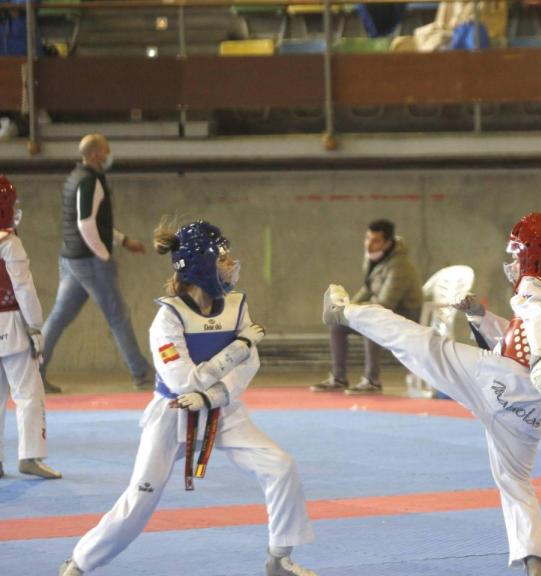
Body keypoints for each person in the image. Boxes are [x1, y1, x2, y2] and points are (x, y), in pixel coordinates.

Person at [322, 212, 541, 576]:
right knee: (517, 484)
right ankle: (536, 565)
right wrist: (479, 316)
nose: (514, 264)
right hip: (533, 408)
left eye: (518, 255)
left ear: (535, 255)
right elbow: (520, 335)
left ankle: (345, 312)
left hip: (505, 382)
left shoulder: (535, 290)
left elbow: (537, 324)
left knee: (422, 344)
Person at [59, 220, 317, 576]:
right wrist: (237, 349)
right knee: (141, 497)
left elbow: (250, 363)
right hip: (171, 414)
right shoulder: (167, 319)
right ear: (201, 265)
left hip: (223, 409)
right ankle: (79, 563)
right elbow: (183, 381)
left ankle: (279, 559)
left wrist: (218, 394)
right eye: (223, 258)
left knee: (281, 466)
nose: (232, 265)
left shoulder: (236, 306)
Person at [41, 134, 151, 394]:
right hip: (89, 260)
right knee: (118, 316)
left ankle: (34, 372)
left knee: (58, 317)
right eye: (104, 150)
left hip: (71, 258)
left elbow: (95, 223)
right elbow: (86, 223)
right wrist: (102, 255)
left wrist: (123, 241)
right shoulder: (91, 182)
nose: (108, 154)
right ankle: (141, 373)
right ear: (93, 155)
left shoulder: (75, 178)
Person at [311, 219, 422, 395]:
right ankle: (338, 378)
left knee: (371, 322)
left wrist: (355, 312)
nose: (369, 244)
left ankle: (372, 381)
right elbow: (368, 287)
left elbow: (386, 303)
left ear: (388, 243)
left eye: (376, 240)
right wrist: (346, 308)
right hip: (384, 313)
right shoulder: (375, 258)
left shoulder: (400, 266)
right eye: (367, 238)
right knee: (337, 325)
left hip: (406, 318)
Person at [0, 175, 61, 480]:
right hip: (10, 323)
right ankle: (31, 456)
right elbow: (23, 287)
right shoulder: (9, 243)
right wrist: (36, 327)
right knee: (28, 392)